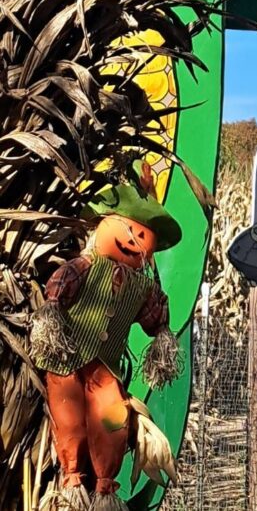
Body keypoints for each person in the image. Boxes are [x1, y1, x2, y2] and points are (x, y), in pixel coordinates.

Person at [29, 161, 182, 511]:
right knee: (68, 416)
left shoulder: (142, 286)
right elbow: (59, 290)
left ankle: (104, 489)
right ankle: (71, 481)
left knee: (113, 416)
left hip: (105, 369)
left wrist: (162, 339)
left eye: (144, 236)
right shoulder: (85, 266)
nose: (135, 240)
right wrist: (51, 317)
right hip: (66, 357)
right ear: (105, 224)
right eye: (128, 229)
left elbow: (154, 320)